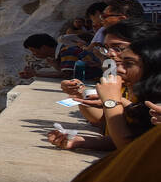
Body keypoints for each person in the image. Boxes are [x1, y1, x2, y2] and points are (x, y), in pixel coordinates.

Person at [49, 20, 161, 152]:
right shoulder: (130, 84)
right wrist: (80, 93)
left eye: (118, 48)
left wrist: (111, 102)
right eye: (107, 47)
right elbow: (127, 132)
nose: (109, 54)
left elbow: (129, 148)